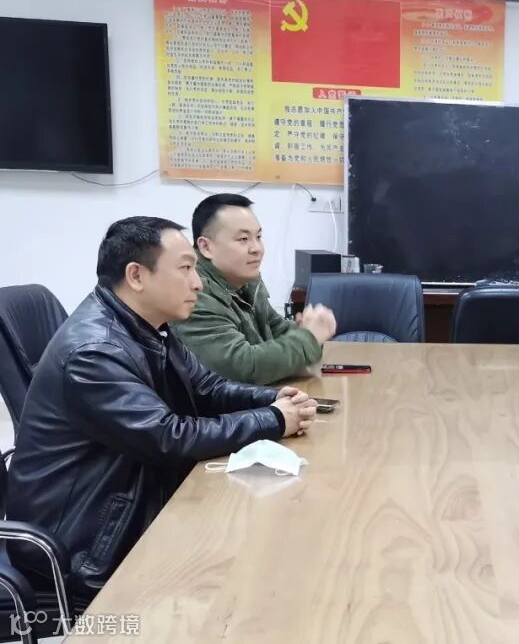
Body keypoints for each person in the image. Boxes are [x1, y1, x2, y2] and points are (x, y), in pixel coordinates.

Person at [5, 216, 319, 601]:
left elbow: (207, 387)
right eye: (185, 269)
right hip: (86, 548)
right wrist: (274, 419)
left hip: (131, 496)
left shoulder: (148, 325)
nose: (198, 282)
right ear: (136, 276)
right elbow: (170, 437)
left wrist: (271, 399)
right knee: (253, 564)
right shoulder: (94, 352)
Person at [172, 193, 337, 385]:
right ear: (206, 247)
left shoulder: (246, 280)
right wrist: (309, 339)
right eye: (243, 239)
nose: (257, 248)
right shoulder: (194, 292)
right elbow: (242, 366)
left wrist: (308, 331)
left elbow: (276, 328)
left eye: (258, 237)